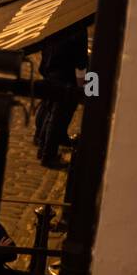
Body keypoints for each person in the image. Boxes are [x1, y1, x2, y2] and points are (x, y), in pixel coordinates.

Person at [35, 23, 88, 169]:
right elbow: (81, 61)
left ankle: (41, 142)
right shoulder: (78, 29)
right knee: (59, 115)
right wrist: (80, 87)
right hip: (65, 76)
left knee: (49, 106)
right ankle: (48, 155)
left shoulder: (59, 21)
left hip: (51, 68)